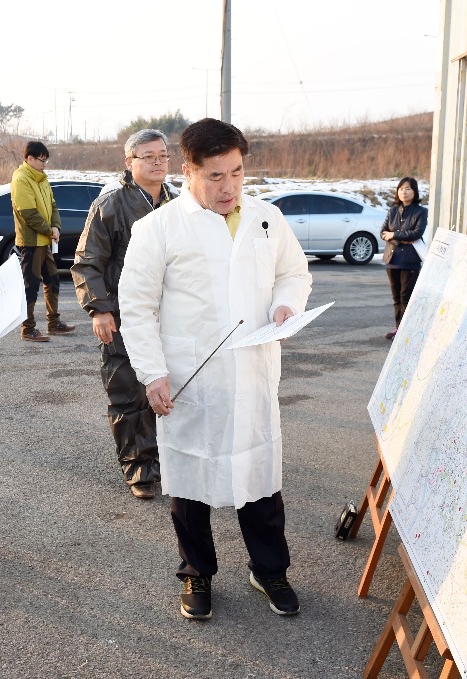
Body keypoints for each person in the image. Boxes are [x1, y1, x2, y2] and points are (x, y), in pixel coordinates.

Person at [118, 118, 312, 621]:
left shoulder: (266, 219)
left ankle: (269, 570)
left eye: (236, 173)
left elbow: (294, 274)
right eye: (214, 176)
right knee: (189, 483)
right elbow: (136, 306)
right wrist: (152, 373)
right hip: (188, 378)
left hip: (252, 374)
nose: (228, 187)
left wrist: (286, 305)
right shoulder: (159, 227)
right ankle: (196, 573)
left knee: (260, 480)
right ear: (188, 171)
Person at [71, 129, 177, 500]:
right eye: (148, 156)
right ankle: (140, 469)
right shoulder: (111, 205)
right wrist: (99, 309)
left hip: (170, 316)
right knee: (128, 394)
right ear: (129, 162)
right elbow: (87, 263)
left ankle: (168, 461)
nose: (157, 161)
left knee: (169, 388)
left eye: (163, 155)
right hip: (123, 316)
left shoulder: (178, 203)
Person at [11, 140, 75, 341]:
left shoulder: (42, 179)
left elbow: (53, 206)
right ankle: (27, 328)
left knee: (52, 280)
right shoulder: (21, 179)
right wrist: (49, 230)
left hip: (45, 240)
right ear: (29, 158)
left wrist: (56, 227)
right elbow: (28, 213)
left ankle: (53, 322)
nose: (44, 164)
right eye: (41, 160)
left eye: (45, 160)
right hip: (31, 242)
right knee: (30, 285)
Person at [380, 177, 427, 340]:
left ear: (414, 191)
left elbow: (416, 233)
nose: (404, 192)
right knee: (396, 298)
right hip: (392, 261)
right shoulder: (392, 210)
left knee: (406, 297)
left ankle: (407, 330)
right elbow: (383, 233)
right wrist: (400, 237)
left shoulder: (421, 211)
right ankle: (398, 327)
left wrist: (394, 235)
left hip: (410, 262)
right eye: (401, 189)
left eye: (408, 188)